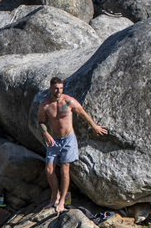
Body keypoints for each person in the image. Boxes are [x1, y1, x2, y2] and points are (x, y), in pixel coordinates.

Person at [37, 76, 108, 214]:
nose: (58, 91)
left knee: (65, 169)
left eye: (61, 88)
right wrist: (46, 134)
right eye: (56, 88)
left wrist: (94, 126)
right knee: (49, 169)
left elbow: (82, 113)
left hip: (68, 139)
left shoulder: (68, 101)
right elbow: (41, 122)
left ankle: (62, 201)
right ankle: (54, 196)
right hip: (53, 139)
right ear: (51, 88)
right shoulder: (45, 105)